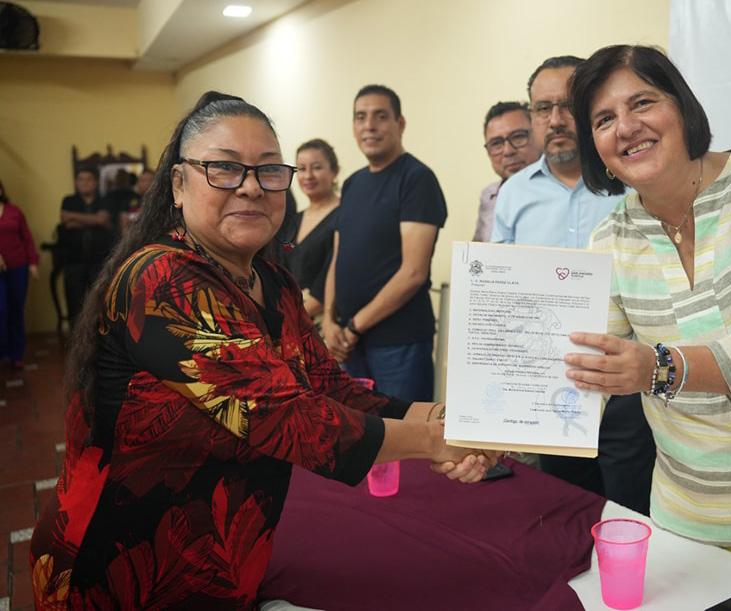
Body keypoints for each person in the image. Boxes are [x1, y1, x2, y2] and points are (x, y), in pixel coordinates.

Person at [30, 91, 493, 609]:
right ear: (179, 185)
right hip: (118, 570)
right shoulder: (160, 279)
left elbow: (331, 388)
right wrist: (438, 441)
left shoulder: (273, 282)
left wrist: (449, 419)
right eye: (225, 168)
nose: (251, 187)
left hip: (222, 560)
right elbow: (283, 416)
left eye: (269, 171)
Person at [565, 44, 731, 594]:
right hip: (694, 520)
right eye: (604, 119)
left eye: (643, 102)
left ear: (682, 107)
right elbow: (587, 372)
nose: (626, 127)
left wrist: (655, 368)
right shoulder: (610, 239)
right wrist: (493, 431)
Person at [491, 56, 656, 515]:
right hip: (551, 383)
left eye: (567, 106)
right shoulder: (514, 193)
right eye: (543, 108)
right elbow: (501, 290)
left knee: (630, 511)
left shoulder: (634, 181)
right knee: (564, 511)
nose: (556, 120)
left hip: (626, 384)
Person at [323, 84, 447, 403]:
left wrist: (353, 327)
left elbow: (413, 273)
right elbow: (338, 256)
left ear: (399, 123)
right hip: (350, 342)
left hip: (398, 344)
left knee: (403, 430)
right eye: (360, 117)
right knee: (357, 430)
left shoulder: (416, 178)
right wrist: (329, 319)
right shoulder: (352, 183)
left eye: (380, 116)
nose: (369, 126)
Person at [281, 139, 340, 322]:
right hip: (293, 317)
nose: (308, 176)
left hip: (328, 320)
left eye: (316, 167)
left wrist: (290, 320)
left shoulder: (346, 215)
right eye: (301, 169)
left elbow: (336, 277)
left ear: (334, 171)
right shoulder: (294, 220)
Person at [473, 101, 541, 241]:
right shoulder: (489, 195)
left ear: (539, 135)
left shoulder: (561, 189)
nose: (508, 151)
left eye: (518, 137)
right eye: (496, 143)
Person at [59, 167, 113, 326]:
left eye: (88, 179)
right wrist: (94, 220)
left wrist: (74, 217)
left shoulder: (105, 200)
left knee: (101, 302)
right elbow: (66, 222)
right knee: (75, 304)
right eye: (81, 179)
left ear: (95, 182)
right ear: (76, 183)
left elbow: (102, 220)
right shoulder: (69, 200)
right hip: (74, 261)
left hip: (100, 261)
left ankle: (100, 338)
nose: (85, 183)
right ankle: (76, 338)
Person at [0, 180, 39, 369]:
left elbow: (27, 238)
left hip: (18, 267)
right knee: (2, 310)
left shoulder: (14, 211)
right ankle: (3, 352)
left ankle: (16, 355)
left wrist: (32, 263)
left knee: (16, 310)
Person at [113, 167, 155, 235]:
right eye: (143, 180)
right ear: (138, 183)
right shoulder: (128, 200)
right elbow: (124, 225)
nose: (147, 183)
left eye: (150, 180)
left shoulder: (161, 201)